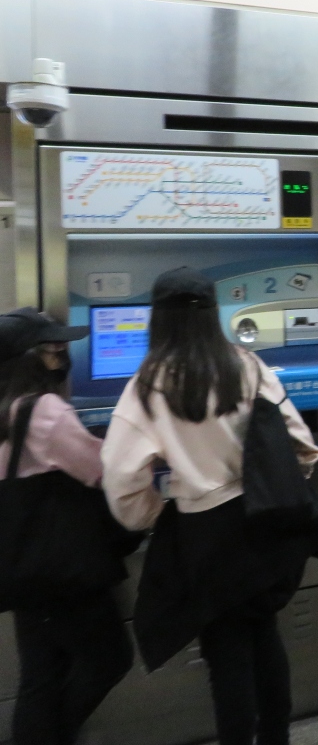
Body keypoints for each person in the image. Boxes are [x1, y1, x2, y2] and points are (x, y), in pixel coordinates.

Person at [101, 267, 318, 745]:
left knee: (226, 653)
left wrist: (153, 514)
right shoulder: (247, 365)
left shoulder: (147, 385)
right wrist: (274, 486)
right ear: (213, 313)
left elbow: (119, 477)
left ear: (158, 319)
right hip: (263, 522)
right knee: (264, 634)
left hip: (204, 533)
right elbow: (302, 446)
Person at [0, 308, 134, 745]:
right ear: (25, 359)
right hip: (64, 567)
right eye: (50, 347)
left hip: (22, 562)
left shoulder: (6, 409)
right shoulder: (44, 411)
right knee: (110, 658)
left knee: (40, 675)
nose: (61, 352)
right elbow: (99, 469)